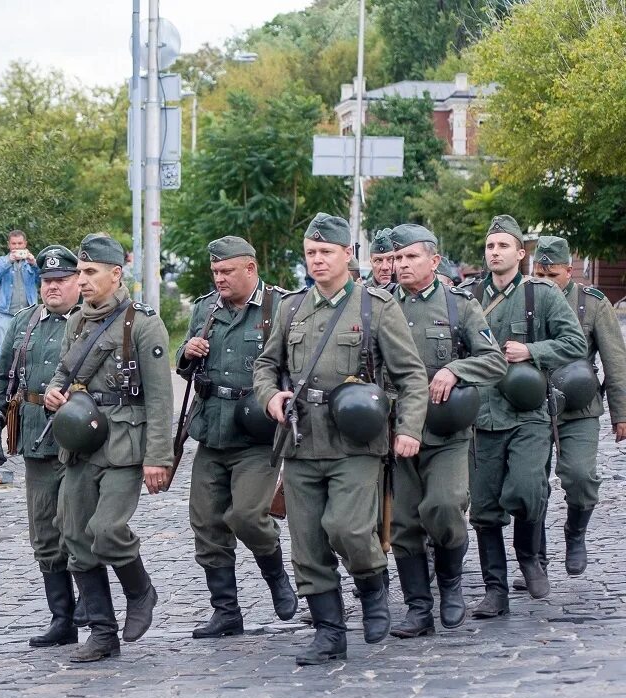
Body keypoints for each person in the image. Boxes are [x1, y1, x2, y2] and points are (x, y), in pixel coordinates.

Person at [252, 213, 428, 666]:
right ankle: (329, 632)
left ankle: (372, 585)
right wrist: (271, 397)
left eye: (326, 252)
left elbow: (411, 376)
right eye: (311, 253)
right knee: (307, 544)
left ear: (347, 255)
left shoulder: (374, 307)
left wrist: (407, 429)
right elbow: (265, 366)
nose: (317, 260)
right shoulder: (291, 308)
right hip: (302, 440)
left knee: (348, 528)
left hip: (356, 441)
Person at [44, 233, 173, 663]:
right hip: (82, 443)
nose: (81, 280)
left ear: (115, 274)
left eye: (90, 272)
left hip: (124, 444)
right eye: (79, 272)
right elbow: (64, 371)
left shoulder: (142, 322)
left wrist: (158, 457)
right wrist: (54, 392)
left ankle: (141, 591)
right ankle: (102, 634)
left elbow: (159, 397)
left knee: (107, 529)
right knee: (75, 536)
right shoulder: (77, 321)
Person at [385, 224, 507, 638]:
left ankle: (451, 584)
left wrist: (456, 369)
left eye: (410, 257)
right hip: (397, 430)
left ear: (434, 261)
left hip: (446, 432)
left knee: (445, 506)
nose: (401, 265)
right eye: (397, 258)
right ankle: (418, 609)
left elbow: (494, 360)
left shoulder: (459, 306)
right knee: (403, 524)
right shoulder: (380, 306)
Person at [174, 236, 297, 637]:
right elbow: (186, 367)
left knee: (247, 515)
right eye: (216, 272)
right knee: (206, 523)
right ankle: (226, 611)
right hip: (212, 429)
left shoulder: (279, 308)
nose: (220, 278)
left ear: (250, 269)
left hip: (257, 433)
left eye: (227, 271)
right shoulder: (205, 309)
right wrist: (187, 352)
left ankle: (276, 574)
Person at [465, 216, 585, 617]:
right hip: (482, 416)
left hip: (529, 413)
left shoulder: (542, 295)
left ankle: (530, 557)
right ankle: (495, 589)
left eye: (503, 246)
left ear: (521, 253)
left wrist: (531, 352)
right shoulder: (468, 299)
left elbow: (574, 342)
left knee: (529, 487)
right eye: (490, 246)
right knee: (483, 507)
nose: (495, 252)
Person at [0, 244, 84, 647]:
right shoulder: (25, 323)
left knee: (80, 528)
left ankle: (96, 608)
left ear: (78, 281)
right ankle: (62, 619)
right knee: (44, 533)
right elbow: (1, 377)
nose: (52, 288)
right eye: (46, 281)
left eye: (60, 281)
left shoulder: (90, 321)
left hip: (81, 440)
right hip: (36, 438)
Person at [530, 236, 626, 580]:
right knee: (530, 485)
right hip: (532, 406)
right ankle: (534, 557)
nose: (545, 282)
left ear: (569, 271)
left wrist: (621, 413)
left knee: (581, 477)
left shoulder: (593, 303)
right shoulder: (526, 299)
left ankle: (575, 534)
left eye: (552, 275)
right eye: (539, 275)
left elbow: (615, 361)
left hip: (579, 407)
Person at [0, 230, 39, 351]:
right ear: (8, 245)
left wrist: (35, 264)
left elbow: (42, 280)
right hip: (5, 314)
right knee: (2, 350)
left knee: (28, 349)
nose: (16, 247)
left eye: (20, 243)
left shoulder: (31, 262)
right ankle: (1, 371)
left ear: (25, 244)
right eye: (13, 243)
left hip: (29, 314)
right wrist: (8, 262)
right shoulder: (1, 261)